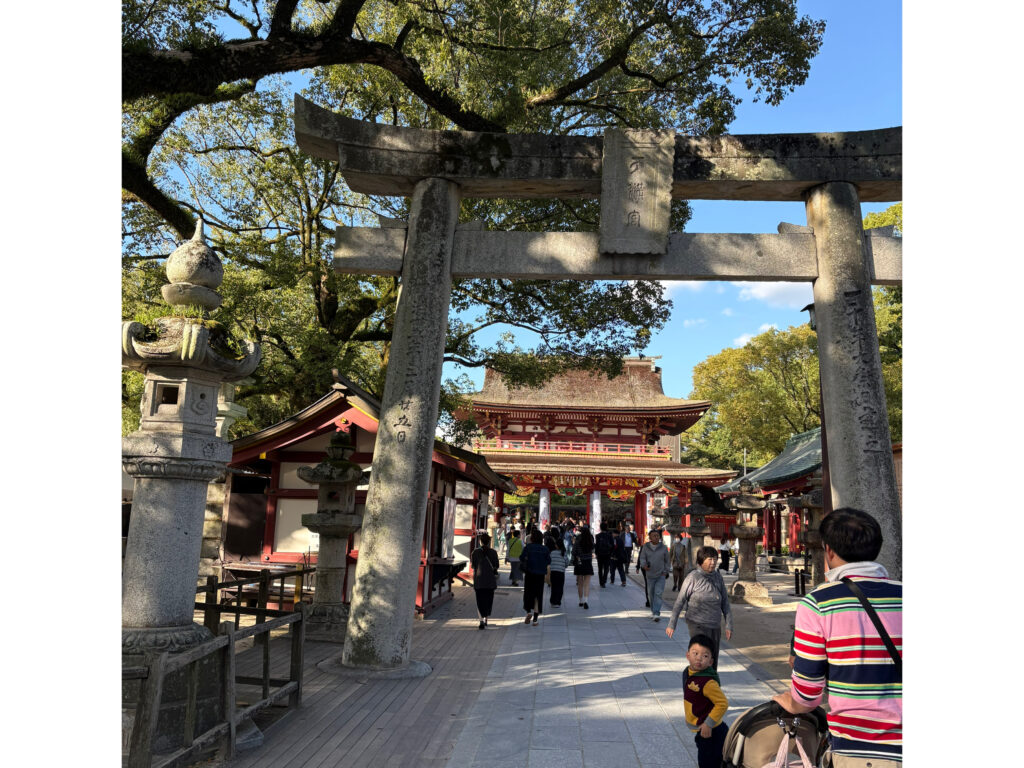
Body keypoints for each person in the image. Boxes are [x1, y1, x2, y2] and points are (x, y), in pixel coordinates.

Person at [771, 508, 902, 767]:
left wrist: (791, 701)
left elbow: (808, 696)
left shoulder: (819, 603)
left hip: (862, 749)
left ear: (828, 550)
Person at [666, 546, 733, 669]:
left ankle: (711, 684)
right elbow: (680, 601)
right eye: (709, 559)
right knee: (700, 657)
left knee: (712, 658)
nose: (713, 563)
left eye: (715, 559)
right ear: (701, 560)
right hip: (697, 624)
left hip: (714, 624)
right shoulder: (693, 577)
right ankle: (696, 684)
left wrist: (729, 625)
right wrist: (672, 624)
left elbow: (725, 603)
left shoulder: (718, 577)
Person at [682, 633, 730, 768]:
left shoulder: (707, 682)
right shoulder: (689, 673)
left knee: (707, 763)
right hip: (703, 730)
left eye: (705, 656)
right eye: (695, 653)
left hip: (711, 731)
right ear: (688, 655)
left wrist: (708, 723)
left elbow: (722, 703)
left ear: (710, 662)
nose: (699, 659)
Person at [637, 529, 671, 621]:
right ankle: (653, 611)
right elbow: (642, 558)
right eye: (654, 535)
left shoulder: (663, 547)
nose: (656, 537)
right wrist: (644, 566)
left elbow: (667, 561)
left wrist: (665, 571)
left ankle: (657, 613)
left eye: (657, 535)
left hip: (661, 574)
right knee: (650, 594)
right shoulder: (645, 547)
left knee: (658, 593)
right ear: (650, 537)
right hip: (650, 574)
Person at [520, 529, 551, 625]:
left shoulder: (528, 547)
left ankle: (528, 612)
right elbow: (549, 561)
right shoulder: (545, 549)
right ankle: (535, 619)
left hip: (529, 573)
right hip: (540, 575)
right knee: (538, 595)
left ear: (532, 538)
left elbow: (521, 558)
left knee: (528, 593)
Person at [470, 533, 500, 629]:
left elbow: (473, 566)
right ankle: (486, 619)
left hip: (479, 580)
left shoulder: (475, 552)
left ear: (480, 541)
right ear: (489, 541)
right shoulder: (493, 552)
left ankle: (481, 621)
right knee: (488, 600)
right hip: (490, 580)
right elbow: (496, 565)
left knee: (479, 600)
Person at [545, 527, 568, 607]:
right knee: (560, 587)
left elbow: (549, 561)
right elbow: (566, 563)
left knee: (553, 587)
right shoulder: (563, 553)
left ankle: (553, 601)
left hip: (553, 572)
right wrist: (564, 566)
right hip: (561, 572)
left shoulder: (552, 552)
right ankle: (558, 602)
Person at [573, 525, 594, 609]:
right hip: (588, 562)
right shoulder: (590, 542)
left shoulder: (578, 541)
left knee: (580, 583)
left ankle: (580, 601)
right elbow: (593, 550)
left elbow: (573, 552)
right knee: (587, 584)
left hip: (579, 562)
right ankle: (586, 600)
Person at [595, 521, 614, 587]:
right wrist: (611, 553)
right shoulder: (609, 536)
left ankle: (601, 582)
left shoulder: (597, 536)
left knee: (600, 569)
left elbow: (596, 546)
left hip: (600, 554)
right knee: (606, 568)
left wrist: (596, 553)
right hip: (607, 554)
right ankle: (604, 579)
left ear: (600, 528)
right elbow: (613, 545)